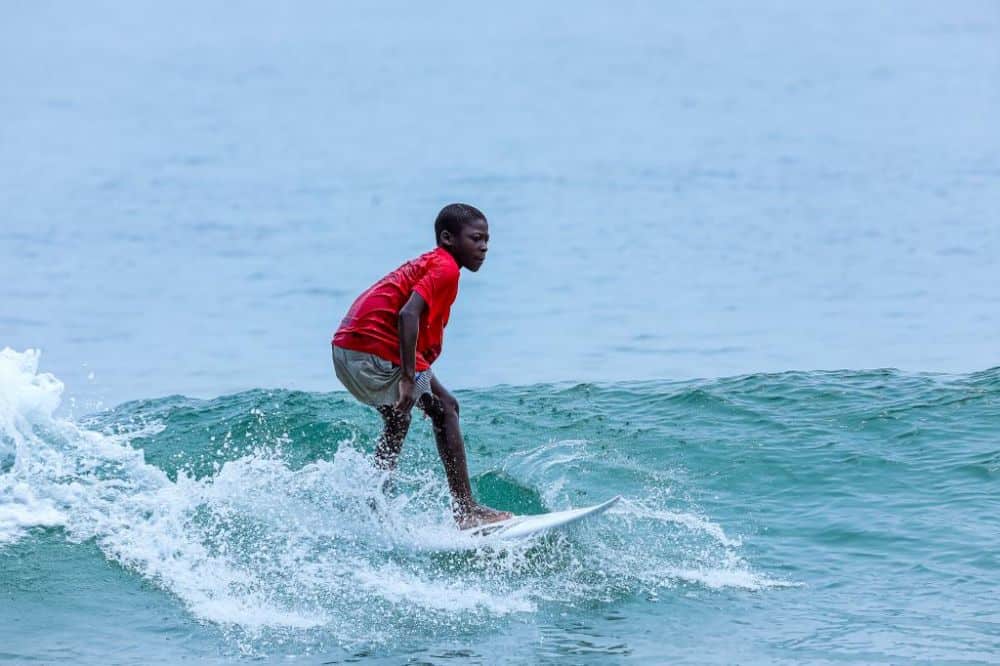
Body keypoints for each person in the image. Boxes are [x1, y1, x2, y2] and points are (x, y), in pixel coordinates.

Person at [331, 203, 512, 529]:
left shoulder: (432, 264)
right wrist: (407, 377)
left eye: (487, 240)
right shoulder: (445, 269)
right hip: (370, 348)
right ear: (447, 238)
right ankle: (466, 511)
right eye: (476, 238)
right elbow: (408, 314)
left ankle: (373, 500)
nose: (484, 247)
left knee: (398, 418)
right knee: (446, 408)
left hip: (348, 350)